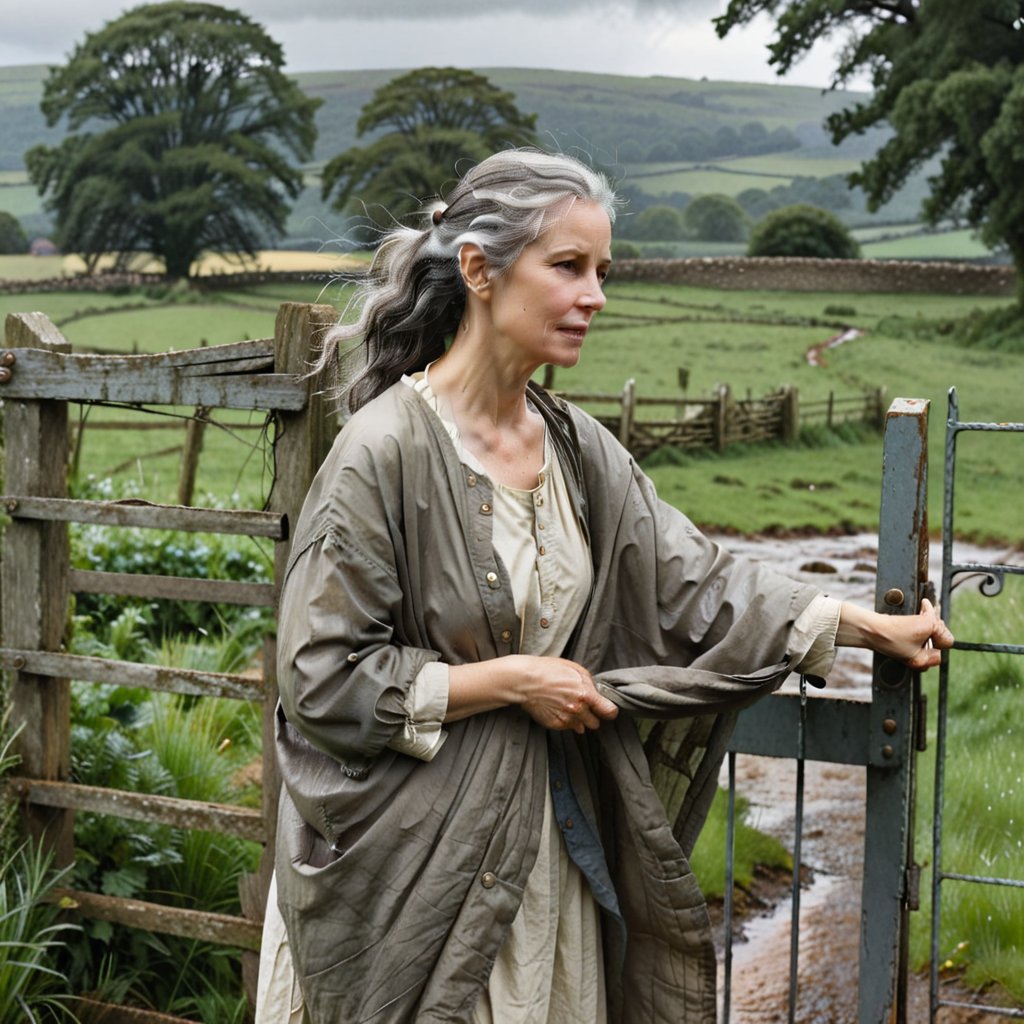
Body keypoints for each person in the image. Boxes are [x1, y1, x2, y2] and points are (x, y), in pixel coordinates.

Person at [256, 149, 952, 1023]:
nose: (596, 296)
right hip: (409, 874)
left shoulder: (575, 448)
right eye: (568, 267)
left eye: (603, 271)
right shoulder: (382, 450)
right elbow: (321, 678)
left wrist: (854, 624)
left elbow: (692, 581)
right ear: (479, 269)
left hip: (545, 867)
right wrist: (515, 681)